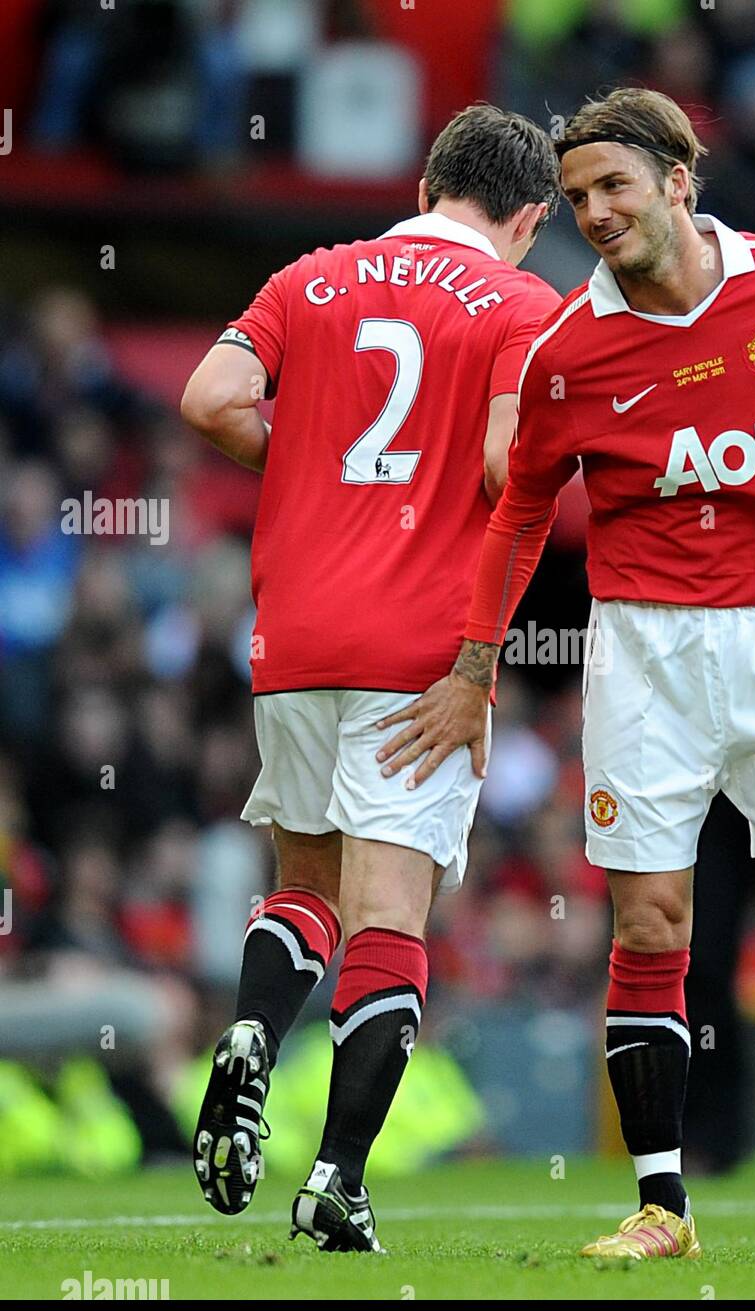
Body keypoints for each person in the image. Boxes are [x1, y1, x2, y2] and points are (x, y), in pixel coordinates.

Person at [377, 88, 755, 1264]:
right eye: (576, 195)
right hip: (646, 650)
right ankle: (661, 1208)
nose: (592, 212)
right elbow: (523, 506)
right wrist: (474, 668)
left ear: (679, 182)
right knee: (651, 919)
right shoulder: (567, 350)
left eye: (613, 188)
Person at [180, 103, 561, 1252]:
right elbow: (504, 460)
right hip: (421, 651)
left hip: (295, 638)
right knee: (388, 914)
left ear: (434, 180)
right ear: (529, 217)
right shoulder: (521, 304)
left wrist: (300, 464)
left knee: (303, 885)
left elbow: (208, 400)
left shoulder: (314, 275)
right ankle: (337, 1178)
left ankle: (251, 1031)